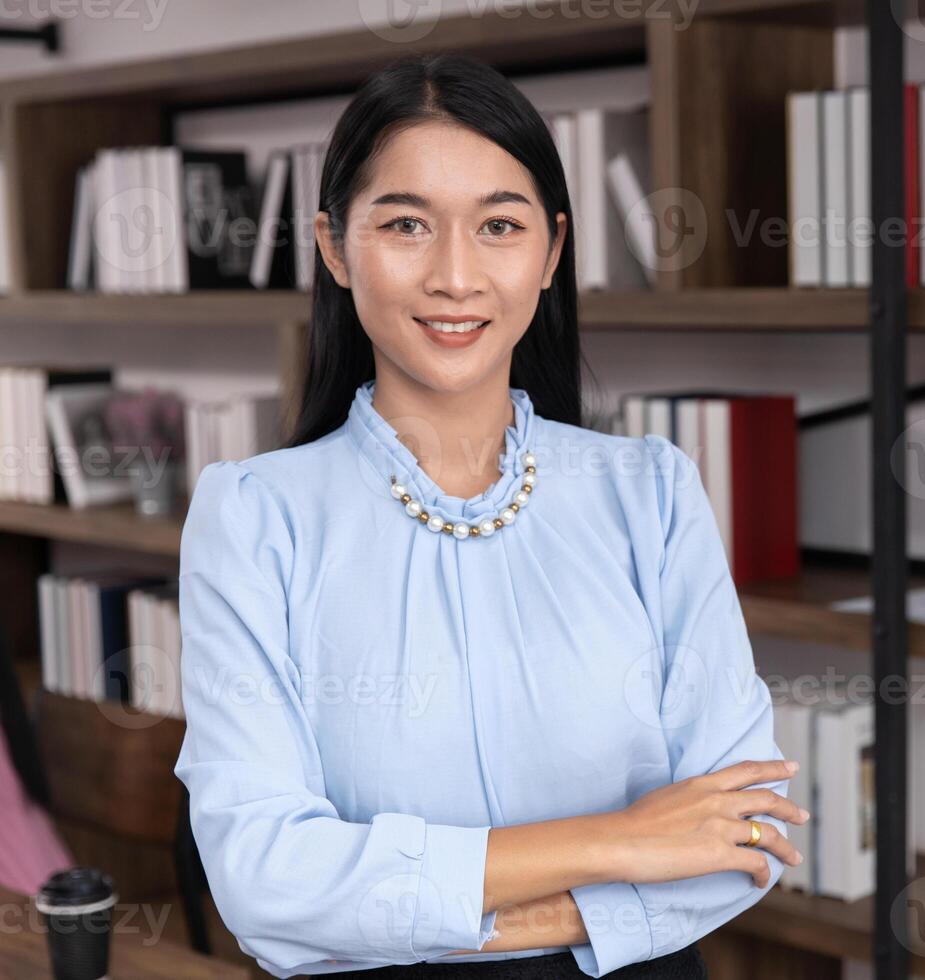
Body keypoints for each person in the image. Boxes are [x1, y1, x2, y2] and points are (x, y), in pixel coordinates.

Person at [172, 52, 806, 979]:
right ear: (336, 247)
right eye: (406, 226)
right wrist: (622, 840)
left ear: (550, 252)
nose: (456, 276)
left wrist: (393, 907)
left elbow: (746, 831)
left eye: (499, 226)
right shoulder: (257, 518)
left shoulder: (652, 494)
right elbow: (264, 877)